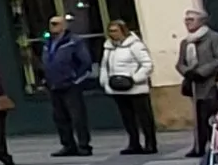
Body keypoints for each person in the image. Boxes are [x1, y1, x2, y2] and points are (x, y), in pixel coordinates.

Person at [38, 14, 97, 157]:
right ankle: (68, 144)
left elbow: (85, 62)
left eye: (56, 23)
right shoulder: (47, 43)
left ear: (64, 26)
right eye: (51, 23)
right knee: (60, 117)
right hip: (54, 85)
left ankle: (84, 145)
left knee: (77, 117)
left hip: (70, 85)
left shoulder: (74, 41)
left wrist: (75, 79)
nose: (53, 26)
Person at [100, 19, 156, 155]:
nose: (113, 34)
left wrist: (134, 79)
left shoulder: (135, 45)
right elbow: (104, 66)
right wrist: (105, 81)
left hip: (136, 89)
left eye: (115, 31)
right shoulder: (108, 47)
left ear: (123, 31)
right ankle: (134, 143)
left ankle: (150, 143)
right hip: (117, 89)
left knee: (144, 118)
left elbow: (147, 64)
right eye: (110, 31)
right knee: (127, 118)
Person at [177, 10, 218, 159]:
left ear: (202, 21)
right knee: (198, 116)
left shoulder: (214, 37)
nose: (187, 22)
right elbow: (180, 62)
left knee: (210, 115)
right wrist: (187, 72)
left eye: (191, 19)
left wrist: (202, 72)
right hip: (194, 84)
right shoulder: (186, 42)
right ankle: (198, 146)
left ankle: (217, 145)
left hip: (210, 82)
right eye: (186, 20)